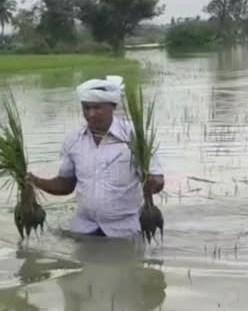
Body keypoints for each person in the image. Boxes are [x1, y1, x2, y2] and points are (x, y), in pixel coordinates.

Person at [28, 77, 164, 238]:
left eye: (97, 108)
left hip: (125, 232)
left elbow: (158, 179)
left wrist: (153, 183)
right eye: (86, 108)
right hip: (84, 229)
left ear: (113, 106)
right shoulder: (74, 141)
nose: (90, 114)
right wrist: (34, 181)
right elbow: (65, 185)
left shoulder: (136, 138)